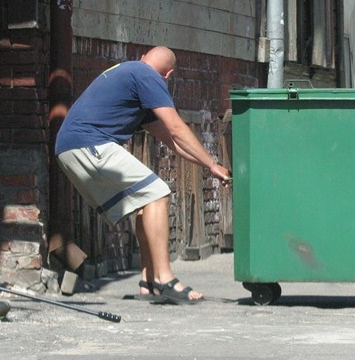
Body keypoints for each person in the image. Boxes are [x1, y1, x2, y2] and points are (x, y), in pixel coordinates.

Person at [55, 46, 232, 304]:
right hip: (88, 143)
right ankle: (165, 279)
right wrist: (213, 164)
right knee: (158, 194)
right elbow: (175, 127)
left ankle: (148, 282)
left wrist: (208, 167)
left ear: (143, 57)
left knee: (145, 203)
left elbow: (172, 140)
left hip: (73, 147)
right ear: (168, 75)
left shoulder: (132, 73)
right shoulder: (147, 75)